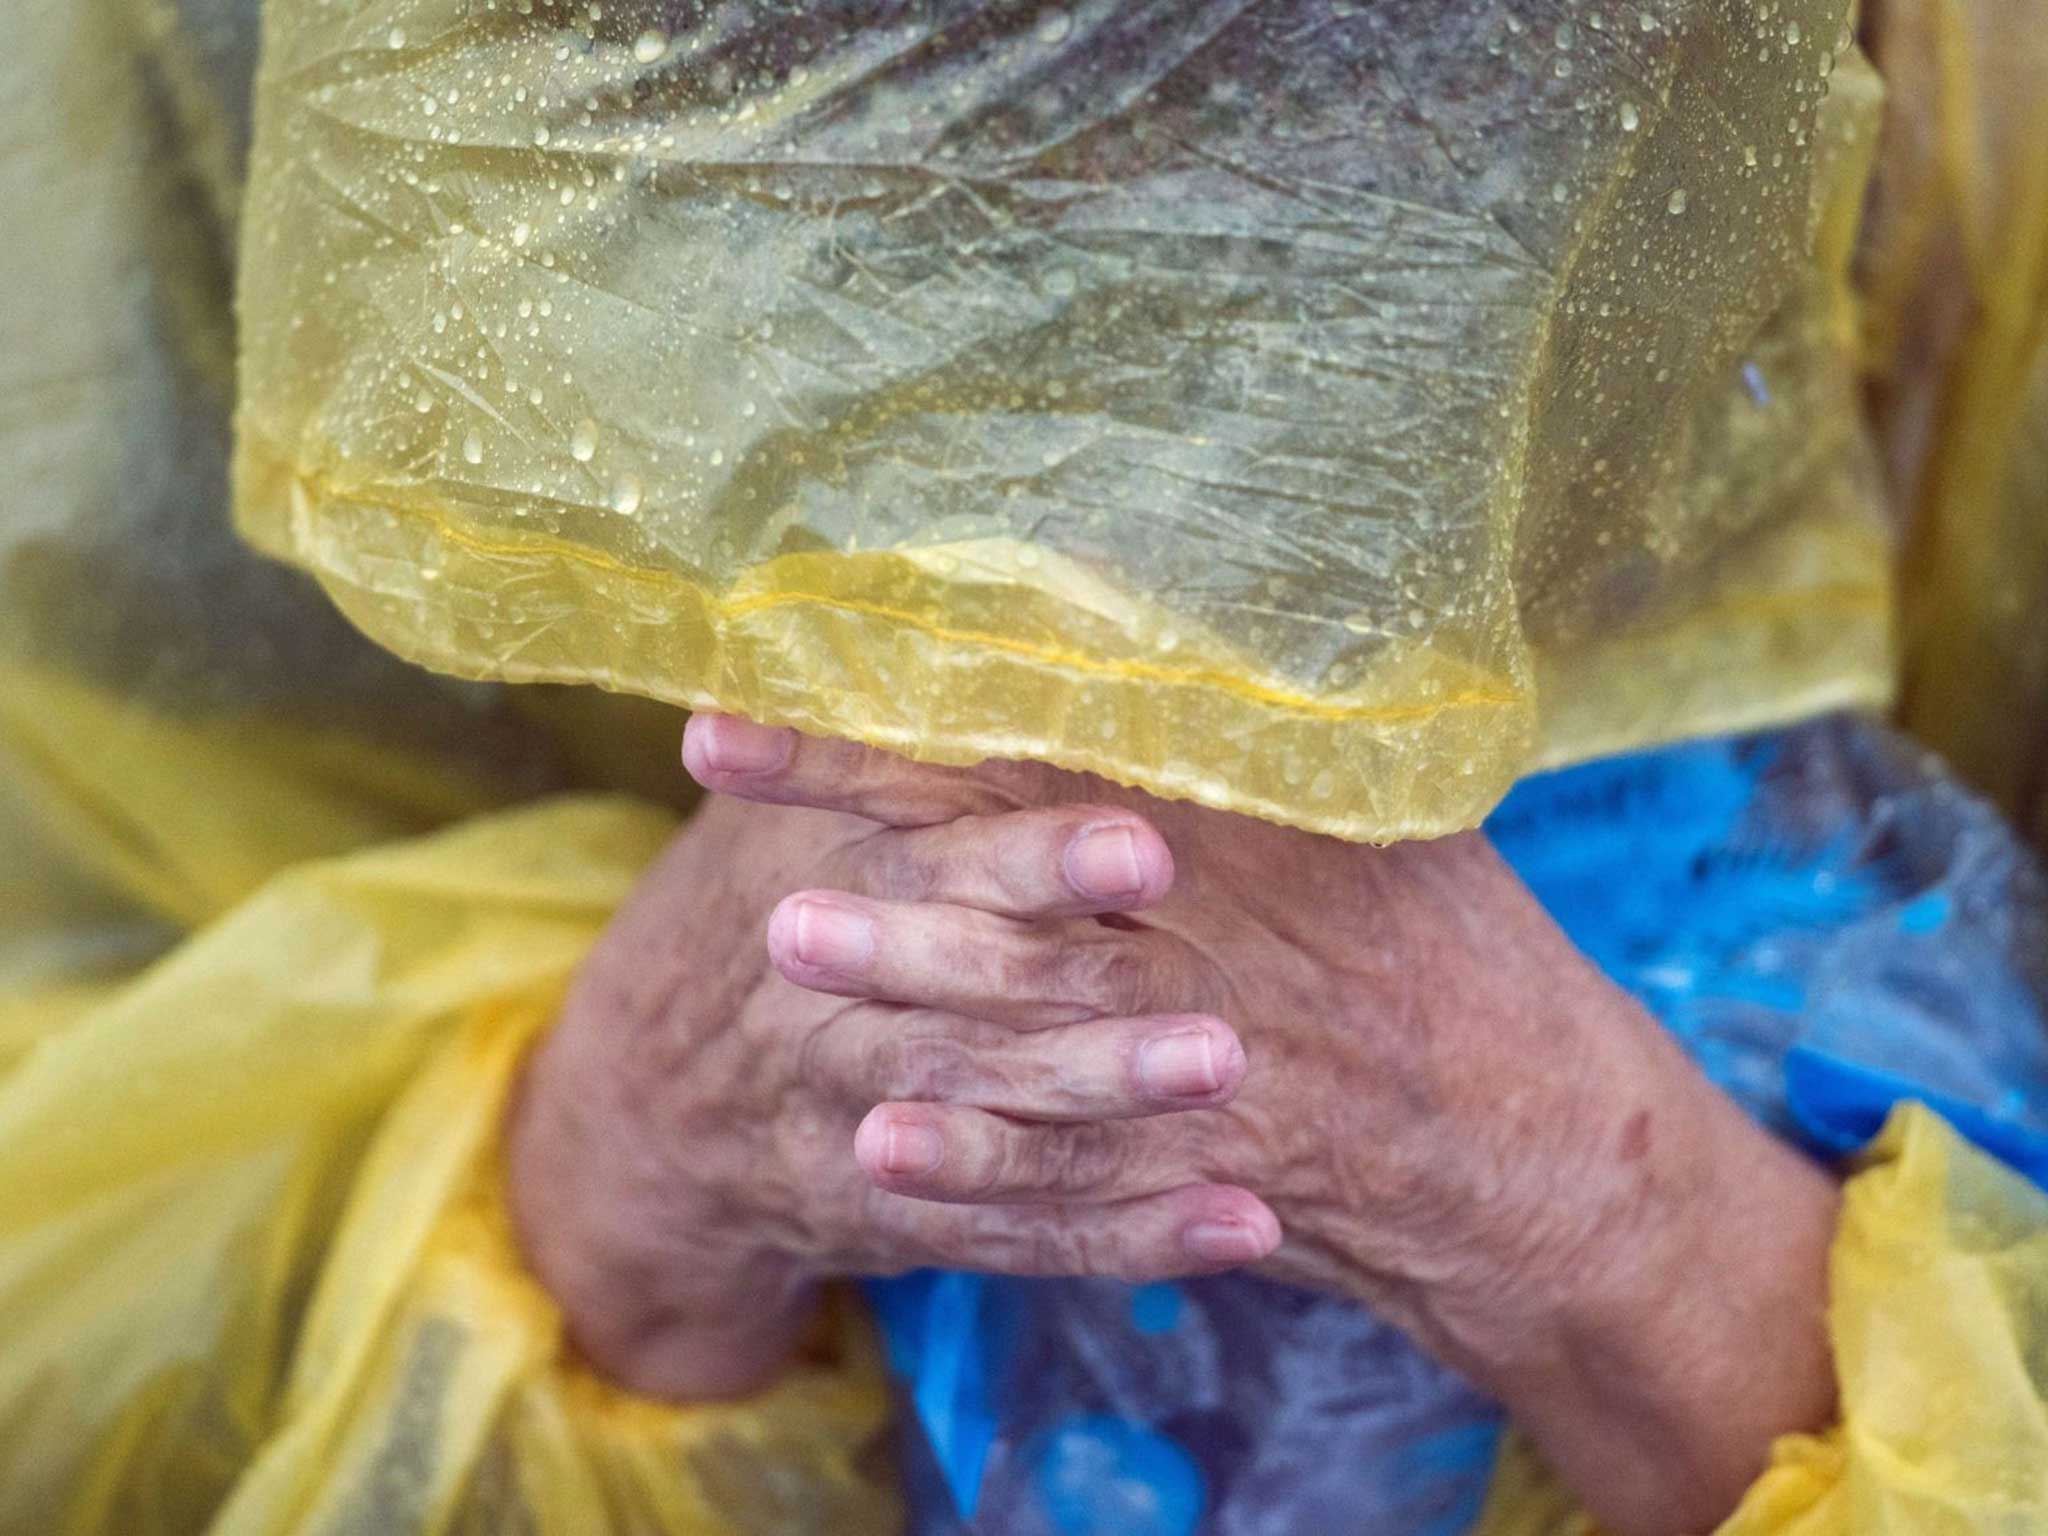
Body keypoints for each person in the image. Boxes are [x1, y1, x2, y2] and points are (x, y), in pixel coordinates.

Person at [3, 0, 2048, 1532]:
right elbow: (88, 1341)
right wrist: (628, 1155)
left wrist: (1580, 1202)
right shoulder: (160, 203)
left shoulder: (1976, 189)